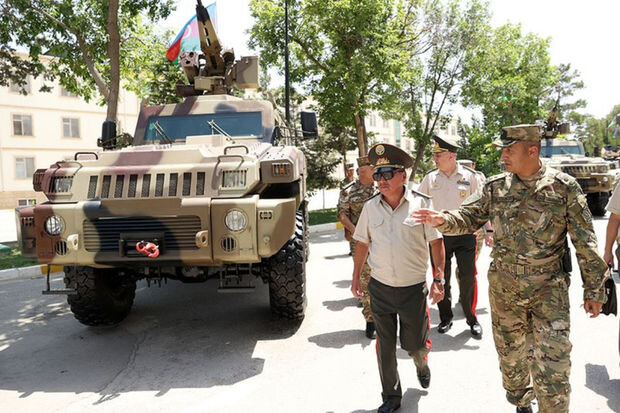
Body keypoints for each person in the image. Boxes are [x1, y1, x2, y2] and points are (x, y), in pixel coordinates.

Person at [411, 124, 609, 413]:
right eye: (502, 150)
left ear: (532, 150)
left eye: (509, 150)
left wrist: (594, 289)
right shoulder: (495, 187)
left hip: (549, 291)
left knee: (553, 367)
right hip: (506, 292)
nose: (503, 156)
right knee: (512, 363)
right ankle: (521, 402)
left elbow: (585, 241)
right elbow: (468, 216)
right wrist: (442, 219)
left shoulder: (564, 187)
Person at [351, 143, 445, 413]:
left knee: (414, 344)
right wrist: (356, 277)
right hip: (380, 288)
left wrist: (438, 279)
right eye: (377, 175)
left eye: (387, 174)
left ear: (403, 175)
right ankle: (391, 396)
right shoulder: (370, 207)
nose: (381, 180)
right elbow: (362, 243)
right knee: (385, 347)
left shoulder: (422, 203)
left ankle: (421, 363)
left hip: (412, 289)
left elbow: (436, 242)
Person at [418, 135, 482, 337]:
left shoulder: (470, 176)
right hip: (439, 236)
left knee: (468, 277)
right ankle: (446, 318)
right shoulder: (430, 178)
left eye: (439, 155)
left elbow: (481, 206)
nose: (435, 159)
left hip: (465, 234)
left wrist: (488, 230)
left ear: (451, 156)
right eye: (434, 155)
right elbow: (418, 203)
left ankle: (471, 318)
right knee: (441, 277)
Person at [337, 156, 377, 338]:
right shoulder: (348, 191)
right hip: (360, 242)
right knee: (365, 279)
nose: (373, 170)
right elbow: (342, 214)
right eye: (369, 168)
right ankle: (370, 320)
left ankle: (387, 317)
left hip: (382, 240)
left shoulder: (382, 187)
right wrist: (356, 231)